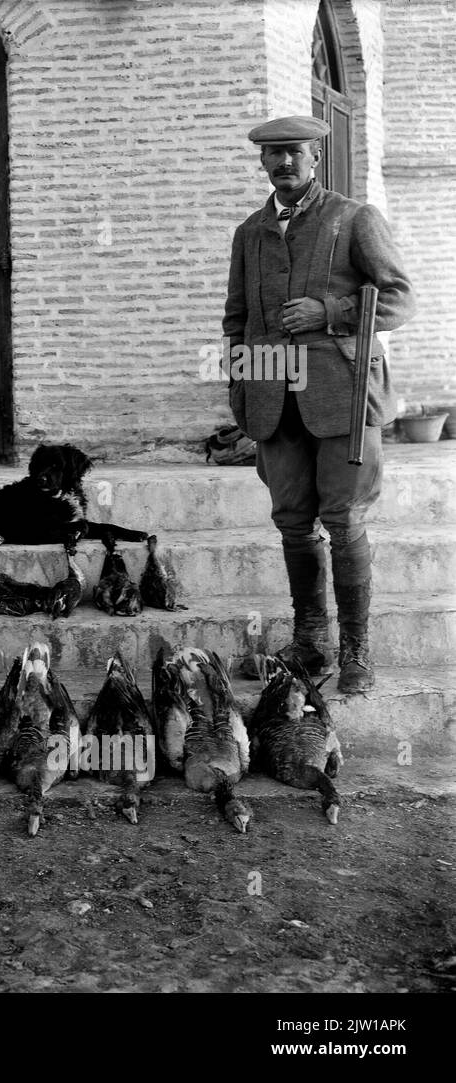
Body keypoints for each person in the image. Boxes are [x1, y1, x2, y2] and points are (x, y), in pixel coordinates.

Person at [224, 116, 414, 694]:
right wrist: (240, 388)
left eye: (296, 153)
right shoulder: (250, 232)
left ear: (315, 157)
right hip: (272, 399)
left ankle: (355, 652)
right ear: (262, 163)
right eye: (274, 155)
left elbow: (399, 299)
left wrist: (329, 313)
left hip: (343, 395)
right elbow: (237, 320)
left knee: (345, 518)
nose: (285, 163)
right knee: (291, 522)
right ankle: (312, 642)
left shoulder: (353, 219)